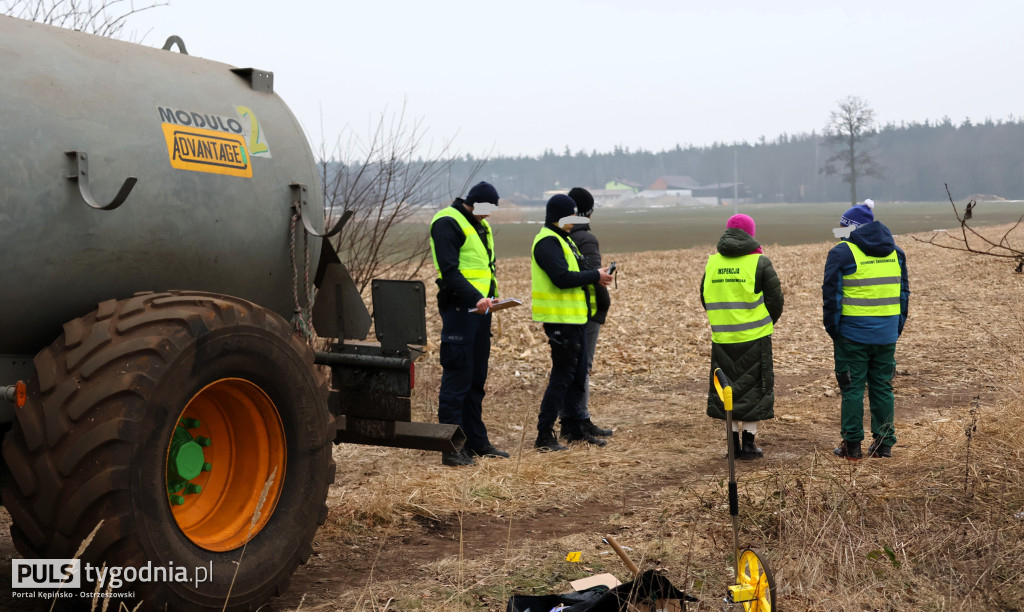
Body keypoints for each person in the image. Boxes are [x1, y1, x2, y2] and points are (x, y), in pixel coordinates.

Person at [822, 200, 909, 460]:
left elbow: (831, 297)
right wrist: (896, 327)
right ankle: (884, 445)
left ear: (852, 228)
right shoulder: (897, 252)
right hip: (886, 334)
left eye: (842, 226)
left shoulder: (842, 252)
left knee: (852, 388)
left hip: (852, 335)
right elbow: (904, 295)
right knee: (882, 387)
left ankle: (852, 446)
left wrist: (834, 330)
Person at [429, 181, 509, 466]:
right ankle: (452, 448)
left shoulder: (480, 225)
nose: (488, 216)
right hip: (460, 309)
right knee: (457, 380)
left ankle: (477, 443)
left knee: (476, 380)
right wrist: (477, 297)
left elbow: (484, 267)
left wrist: (490, 296)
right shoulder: (447, 222)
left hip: (481, 311)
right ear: (474, 203)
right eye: (487, 209)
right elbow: (449, 271)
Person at [531, 194, 613, 451]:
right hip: (559, 321)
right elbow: (562, 277)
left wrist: (595, 277)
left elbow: (575, 273)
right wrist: (594, 276)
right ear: (557, 216)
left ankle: (576, 429)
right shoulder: (547, 242)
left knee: (577, 376)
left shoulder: (564, 240)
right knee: (562, 377)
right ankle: (544, 434)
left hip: (574, 319)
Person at [700, 214, 783, 460]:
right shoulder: (760, 262)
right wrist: (764, 323)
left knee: (727, 389)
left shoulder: (712, 263)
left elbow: (705, 298)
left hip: (723, 338)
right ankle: (748, 445)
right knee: (754, 389)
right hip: (755, 338)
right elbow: (775, 301)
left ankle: (732, 446)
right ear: (751, 233)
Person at [566, 187, 614, 441]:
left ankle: (572, 418)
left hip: (569, 310)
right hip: (588, 310)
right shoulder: (586, 238)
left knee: (570, 366)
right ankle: (580, 419)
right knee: (582, 366)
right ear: (587, 212)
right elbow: (595, 276)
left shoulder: (562, 236)